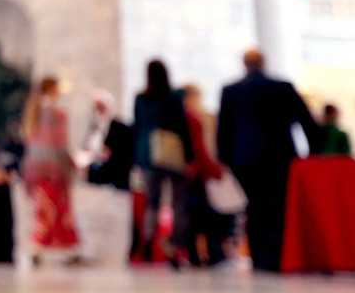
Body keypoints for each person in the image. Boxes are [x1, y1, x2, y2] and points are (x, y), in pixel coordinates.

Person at [217, 49, 321, 272]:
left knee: (254, 209)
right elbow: (306, 121)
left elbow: (224, 130)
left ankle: (259, 258)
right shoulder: (282, 88)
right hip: (279, 157)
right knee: (278, 208)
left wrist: (224, 159)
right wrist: (315, 152)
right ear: (264, 62)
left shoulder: (231, 91)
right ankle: (277, 256)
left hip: (245, 160)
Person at [132, 60, 192, 267]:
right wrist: (189, 156)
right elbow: (182, 127)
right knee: (178, 202)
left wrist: (137, 159)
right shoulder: (174, 97)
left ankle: (148, 244)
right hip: (171, 152)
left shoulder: (141, 99)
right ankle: (175, 246)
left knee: (152, 202)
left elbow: (137, 128)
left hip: (147, 154)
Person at [20, 77, 79, 264]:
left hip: (36, 168)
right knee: (60, 210)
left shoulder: (33, 110)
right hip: (54, 168)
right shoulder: (56, 113)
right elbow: (59, 143)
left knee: (44, 210)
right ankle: (62, 251)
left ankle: (39, 250)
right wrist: (70, 165)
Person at [181, 84, 229, 267]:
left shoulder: (180, 117)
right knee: (207, 216)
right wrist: (214, 170)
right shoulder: (193, 118)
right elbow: (199, 149)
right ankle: (213, 253)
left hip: (186, 173)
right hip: (198, 172)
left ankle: (194, 254)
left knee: (193, 216)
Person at [84, 89, 134, 190]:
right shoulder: (94, 126)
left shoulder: (121, 127)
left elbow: (127, 152)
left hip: (114, 176)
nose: (98, 111)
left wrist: (109, 153)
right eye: (96, 108)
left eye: (100, 107)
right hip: (95, 174)